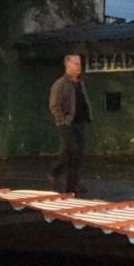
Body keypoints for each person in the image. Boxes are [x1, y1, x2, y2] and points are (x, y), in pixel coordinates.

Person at [48, 54, 92, 194]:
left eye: (79, 63)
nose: (79, 66)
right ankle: (55, 172)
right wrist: (62, 120)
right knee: (71, 150)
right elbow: (54, 105)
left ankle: (72, 186)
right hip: (67, 123)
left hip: (80, 122)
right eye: (76, 63)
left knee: (78, 154)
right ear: (68, 65)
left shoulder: (80, 83)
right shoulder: (60, 84)